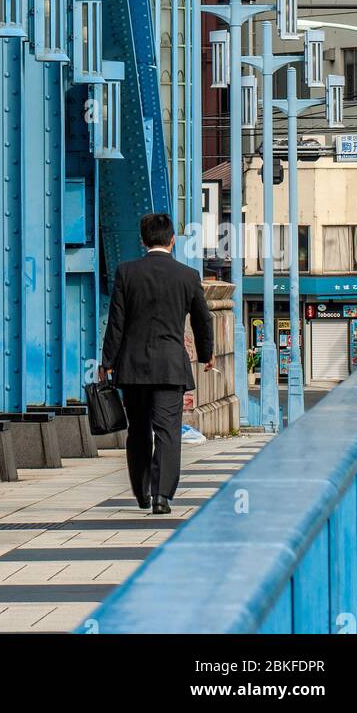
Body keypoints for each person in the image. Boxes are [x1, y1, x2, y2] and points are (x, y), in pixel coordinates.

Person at [100, 212, 214, 515]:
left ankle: (141, 492)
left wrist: (107, 362)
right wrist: (206, 354)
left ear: (143, 239)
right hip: (170, 368)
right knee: (167, 431)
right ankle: (162, 494)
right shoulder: (188, 276)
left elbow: (116, 323)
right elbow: (203, 319)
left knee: (138, 431)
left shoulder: (127, 273)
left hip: (133, 368)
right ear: (172, 240)